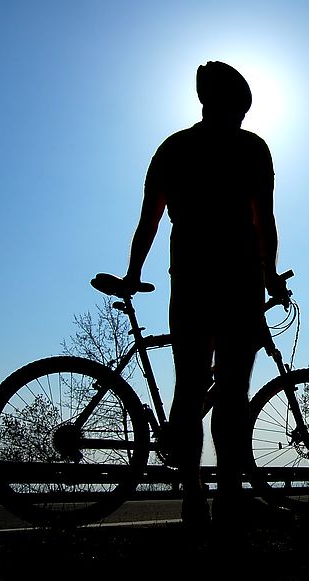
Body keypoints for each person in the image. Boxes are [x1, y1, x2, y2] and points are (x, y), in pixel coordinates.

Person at [123, 61, 287, 528]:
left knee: (190, 387)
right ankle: (228, 498)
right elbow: (264, 220)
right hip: (238, 278)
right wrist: (270, 273)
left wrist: (134, 273)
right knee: (232, 392)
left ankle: (194, 495)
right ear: (233, 104)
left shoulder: (175, 148)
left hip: (191, 277)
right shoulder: (253, 149)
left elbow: (149, 221)